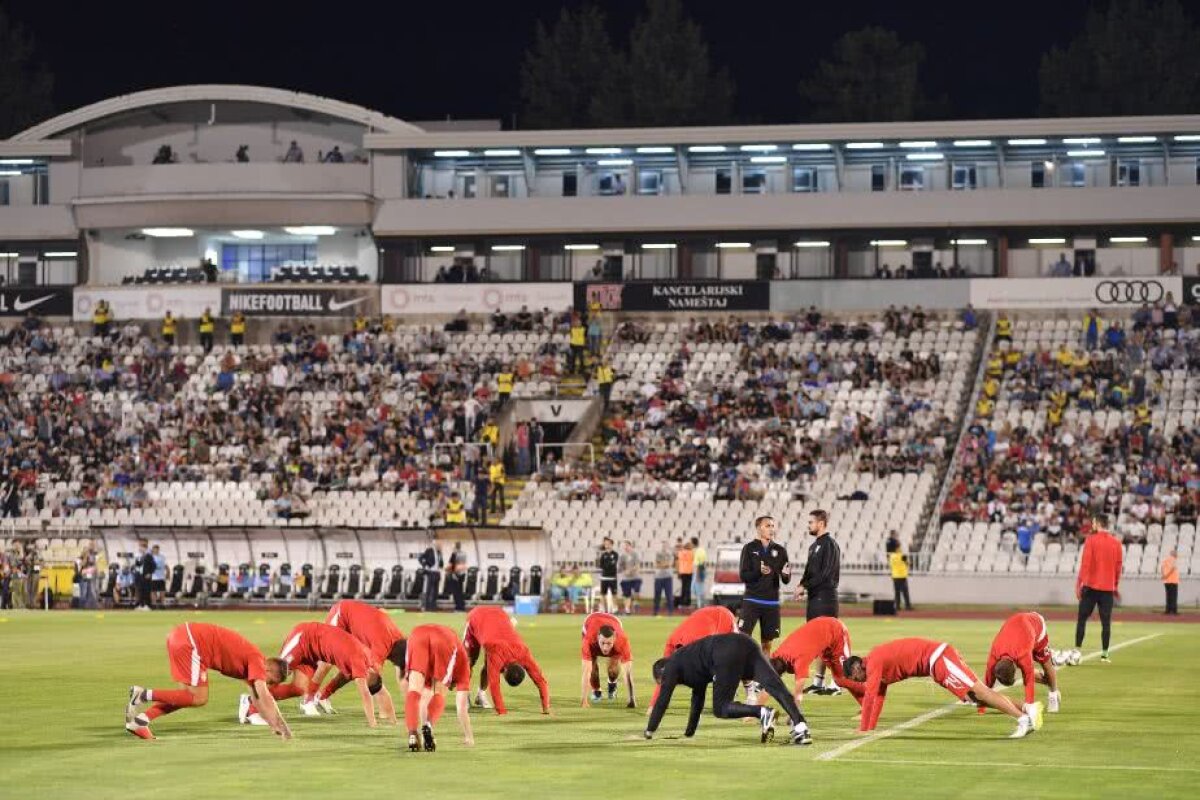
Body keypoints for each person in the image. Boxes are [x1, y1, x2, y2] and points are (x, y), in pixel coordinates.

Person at [843, 637, 1042, 738]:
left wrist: (863, 730)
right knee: (974, 698)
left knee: (980, 692)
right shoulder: (874, 667)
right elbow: (878, 697)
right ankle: (1026, 708)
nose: (859, 681)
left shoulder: (874, 662)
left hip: (939, 658)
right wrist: (869, 728)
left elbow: (869, 697)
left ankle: (1023, 719)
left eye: (856, 678)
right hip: (936, 665)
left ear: (857, 667)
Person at [125, 622, 291, 740]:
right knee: (199, 697)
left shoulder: (252, 665)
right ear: (268, 669)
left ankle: (140, 721)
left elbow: (259, 699)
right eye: (270, 681)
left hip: (183, 637)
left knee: (185, 697)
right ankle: (143, 695)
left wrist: (276, 724)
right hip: (191, 642)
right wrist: (281, 726)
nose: (267, 684)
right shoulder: (257, 661)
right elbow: (264, 695)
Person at [646, 633, 812, 746]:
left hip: (724, 653)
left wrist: (650, 730)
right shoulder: (688, 665)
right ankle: (801, 727)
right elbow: (697, 698)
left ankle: (762, 713)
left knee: (721, 708)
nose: (667, 684)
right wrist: (689, 732)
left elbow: (662, 701)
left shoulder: (671, 666)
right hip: (745, 642)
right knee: (775, 685)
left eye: (662, 682)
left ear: (662, 672)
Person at [241, 621, 388, 729]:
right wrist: (373, 723)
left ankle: (249, 700)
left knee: (298, 688)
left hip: (312, 653)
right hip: (303, 638)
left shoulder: (367, 660)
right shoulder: (362, 660)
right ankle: (252, 710)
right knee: (275, 675)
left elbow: (344, 673)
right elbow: (361, 690)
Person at [303, 599, 407, 713]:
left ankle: (322, 696)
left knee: (355, 666)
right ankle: (308, 700)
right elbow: (372, 678)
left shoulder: (399, 642)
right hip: (342, 613)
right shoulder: (382, 647)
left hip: (357, 625)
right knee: (327, 660)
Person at [398, 624, 475, 751]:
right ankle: (428, 725)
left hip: (417, 634)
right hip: (445, 640)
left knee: (414, 689)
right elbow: (462, 707)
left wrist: (425, 734)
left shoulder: (435, 669)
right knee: (440, 691)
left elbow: (424, 701)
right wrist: (469, 736)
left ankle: (412, 734)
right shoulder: (464, 671)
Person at [463, 606, 551, 715]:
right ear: (504, 671)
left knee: (488, 666)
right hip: (477, 617)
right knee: (468, 662)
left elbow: (541, 681)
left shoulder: (524, 653)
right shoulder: (496, 655)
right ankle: (464, 695)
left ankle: (480, 695)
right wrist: (501, 711)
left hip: (498, 616)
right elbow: (494, 685)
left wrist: (546, 707)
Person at [648, 606, 737, 707]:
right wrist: (653, 705)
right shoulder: (671, 645)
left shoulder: (696, 647)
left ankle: (748, 695)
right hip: (705, 620)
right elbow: (663, 679)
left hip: (723, 617)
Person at [794, 508, 841, 691]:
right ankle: (818, 682)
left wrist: (805, 586)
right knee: (818, 642)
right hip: (815, 598)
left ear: (821, 523)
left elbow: (826, 574)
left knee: (829, 642)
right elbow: (809, 572)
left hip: (826, 598)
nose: (809, 525)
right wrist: (801, 585)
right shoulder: (814, 546)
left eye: (811, 522)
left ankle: (837, 682)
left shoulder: (829, 545)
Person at [983, 611, 1060, 715]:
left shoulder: (1023, 655)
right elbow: (988, 681)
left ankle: (1053, 694)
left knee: (1046, 665)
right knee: (1026, 669)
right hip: (1020, 632)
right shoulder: (995, 652)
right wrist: (981, 707)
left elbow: (1029, 679)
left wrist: (1030, 704)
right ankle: (1049, 680)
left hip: (1037, 627)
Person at [770, 617, 858, 706]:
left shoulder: (800, 660)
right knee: (836, 674)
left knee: (845, 677)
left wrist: (794, 713)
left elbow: (798, 695)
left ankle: (866, 697)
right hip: (821, 632)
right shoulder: (777, 654)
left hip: (836, 629)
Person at [738, 515, 791, 654]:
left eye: (773, 526)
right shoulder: (749, 548)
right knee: (743, 639)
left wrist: (786, 574)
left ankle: (764, 668)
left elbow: (786, 579)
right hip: (752, 601)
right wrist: (758, 571)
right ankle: (744, 667)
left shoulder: (780, 550)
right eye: (768, 526)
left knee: (767, 644)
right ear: (758, 528)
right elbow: (743, 576)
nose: (771, 529)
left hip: (771, 603)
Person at [1074, 513, 1123, 662]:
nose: (1092, 525)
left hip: (1091, 586)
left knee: (1082, 619)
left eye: (1094, 523)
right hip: (1107, 588)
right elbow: (1118, 567)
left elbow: (1086, 563)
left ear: (1099, 524)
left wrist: (1079, 583)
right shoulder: (1116, 543)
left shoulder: (1091, 540)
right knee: (1106, 622)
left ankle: (1077, 650)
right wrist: (1115, 585)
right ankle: (1105, 654)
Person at [580, 611, 635, 708]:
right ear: (598, 638)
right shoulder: (588, 640)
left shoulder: (622, 641)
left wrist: (631, 699)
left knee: (613, 670)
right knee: (592, 669)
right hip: (591, 621)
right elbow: (586, 671)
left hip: (614, 621)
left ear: (614, 638)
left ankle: (612, 684)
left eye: (609, 643)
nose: (605, 648)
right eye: (602, 643)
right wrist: (584, 701)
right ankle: (596, 690)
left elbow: (627, 673)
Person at [618, 541, 641, 615]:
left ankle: (635, 602)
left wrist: (630, 570)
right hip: (626, 579)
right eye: (624, 546)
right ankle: (627, 610)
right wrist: (623, 571)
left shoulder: (635, 554)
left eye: (627, 545)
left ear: (630, 546)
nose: (626, 547)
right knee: (626, 595)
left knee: (636, 591)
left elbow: (637, 565)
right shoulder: (622, 556)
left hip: (635, 577)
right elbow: (620, 567)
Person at [420, 541, 443, 612]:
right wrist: (425, 566)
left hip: (437, 572)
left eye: (440, 545)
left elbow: (441, 563)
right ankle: (427, 607)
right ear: (435, 545)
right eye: (438, 545)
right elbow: (421, 558)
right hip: (431, 572)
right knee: (429, 590)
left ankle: (433, 606)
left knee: (435, 591)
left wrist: (441, 564)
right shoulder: (429, 551)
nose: (440, 546)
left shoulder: (439, 552)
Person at [597, 537, 619, 614]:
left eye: (608, 544)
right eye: (606, 544)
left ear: (612, 545)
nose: (607, 545)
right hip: (604, 577)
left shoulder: (615, 554)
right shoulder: (603, 555)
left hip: (612, 577)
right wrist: (607, 565)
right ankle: (602, 608)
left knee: (614, 594)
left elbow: (613, 564)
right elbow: (601, 565)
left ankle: (615, 608)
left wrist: (607, 565)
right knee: (603, 594)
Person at [652, 542, 674, 616]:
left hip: (668, 577)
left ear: (667, 546)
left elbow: (669, 564)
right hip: (658, 577)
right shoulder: (657, 554)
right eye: (663, 545)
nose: (664, 546)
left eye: (665, 545)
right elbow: (656, 564)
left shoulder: (670, 554)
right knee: (657, 595)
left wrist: (661, 564)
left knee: (669, 595)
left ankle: (670, 612)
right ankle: (655, 612)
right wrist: (664, 564)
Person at [889, 547, 912, 612]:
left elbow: (891, 565)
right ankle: (907, 606)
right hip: (902, 576)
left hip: (895, 576)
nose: (901, 549)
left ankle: (897, 606)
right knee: (905, 592)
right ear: (897, 549)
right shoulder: (902, 555)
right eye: (899, 548)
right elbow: (908, 563)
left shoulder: (892, 556)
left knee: (897, 592)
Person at [447, 542, 468, 611]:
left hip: (455, 574)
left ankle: (458, 607)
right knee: (460, 591)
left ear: (455, 547)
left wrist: (447, 570)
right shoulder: (464, 554)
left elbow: (450, 565)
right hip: (462, 574)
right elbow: (464, 564)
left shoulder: (454, 554)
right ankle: (462, 607)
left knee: (456, 592)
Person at [676, 540, 694, 609]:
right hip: (689, 572)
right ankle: (687, 603)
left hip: (682, 572)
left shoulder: (680, 553)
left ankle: (681, 603)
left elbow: (678, 561)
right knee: (688, 588)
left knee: (683, 588)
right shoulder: (691, 553)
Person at [690, 537, 707, 608]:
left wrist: (697, 575)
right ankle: (701, 604)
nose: (690, 544)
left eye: (691, 543)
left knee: (697, 589)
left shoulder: (697, 551)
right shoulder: (701, 550)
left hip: (698, 571)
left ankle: (700, 605)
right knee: (698, 588)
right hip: (701, 571)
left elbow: (699, 564)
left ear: (693, 543)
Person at [1162, 548, 1180, 615]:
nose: (1177, 555)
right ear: (1174, 554)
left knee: (1168, 596)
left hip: (1166, 581)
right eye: (1176, 553)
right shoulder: (1174, 560)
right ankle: (1174, 610)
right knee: (1173, 596)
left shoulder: (1166, 560)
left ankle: (1168, 610)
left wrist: (1164, 576)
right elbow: (1172, 569)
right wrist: (1167, 575)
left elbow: (1162, 568)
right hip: (1173, 580)